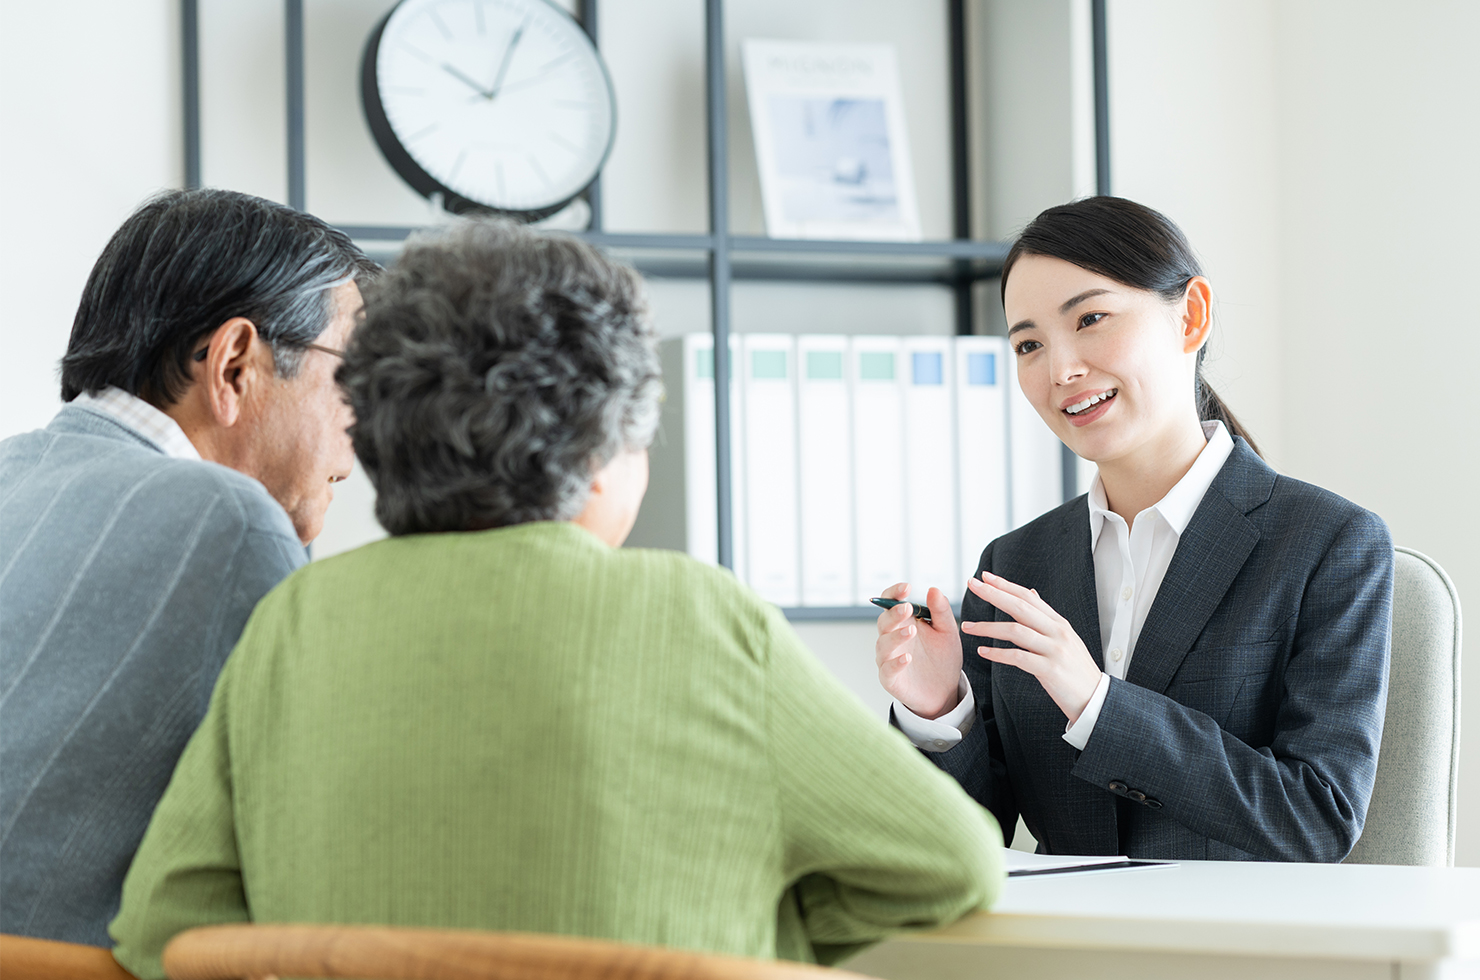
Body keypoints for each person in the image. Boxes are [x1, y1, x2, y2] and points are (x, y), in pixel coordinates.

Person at [108, 219, 1003, 979]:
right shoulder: (693, 614)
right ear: (599, 453)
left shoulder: (295, 620)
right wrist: (737, 925)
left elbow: (164, 928)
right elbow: (953, 863)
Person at [875, 196, 1392, 862]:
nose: (1060, 371)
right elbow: (962, 844)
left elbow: (1317, 818)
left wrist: (1095, 702)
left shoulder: (1328, 545)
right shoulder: (1016, 562)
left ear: (1191, 316)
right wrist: (942, 711)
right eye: (1028, 344)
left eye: (1090, 319)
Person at [0, 189, 377, 945]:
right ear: (235, 363)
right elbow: (313, 866)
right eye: (353, 376)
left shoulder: (13, 472)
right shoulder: (230, 521)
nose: (363, 420)